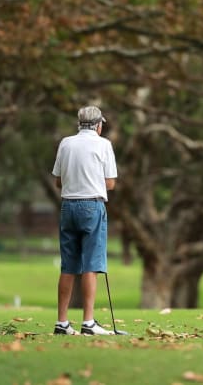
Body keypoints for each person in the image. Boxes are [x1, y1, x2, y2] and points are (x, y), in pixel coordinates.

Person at [51, 106, 118, 335]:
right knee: (91, 264)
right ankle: (88, 322)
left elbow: (58, 181)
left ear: (80, 124)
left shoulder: (66, 143)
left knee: (68, 265)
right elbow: (110, 183)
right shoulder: (104, 144)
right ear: (98, 125)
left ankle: (62, 322)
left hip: (68, 207)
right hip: (92, 206)